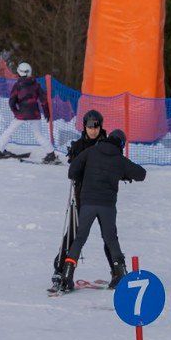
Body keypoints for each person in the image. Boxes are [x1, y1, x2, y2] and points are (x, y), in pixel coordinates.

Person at [58, 120, 146, 292]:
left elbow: (72, 171)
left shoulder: (91, 151)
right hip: (107, 205)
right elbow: (141, 174)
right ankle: (120, 274)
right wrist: (122, 173)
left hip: (88, 203)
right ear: (121, 144)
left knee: (80, 238)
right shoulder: (120, 159)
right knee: (111, 239)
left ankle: (67, 275)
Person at [0, 61, 50, 157]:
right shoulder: (36, 85)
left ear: (19, 72)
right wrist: (47, 112)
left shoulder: (17, 85)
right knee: (38, 135)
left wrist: (16, 112)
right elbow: (44, 101)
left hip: (22, 114)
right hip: (34, 114)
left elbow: (11, 101)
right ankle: (51, 154)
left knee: (9, 132)